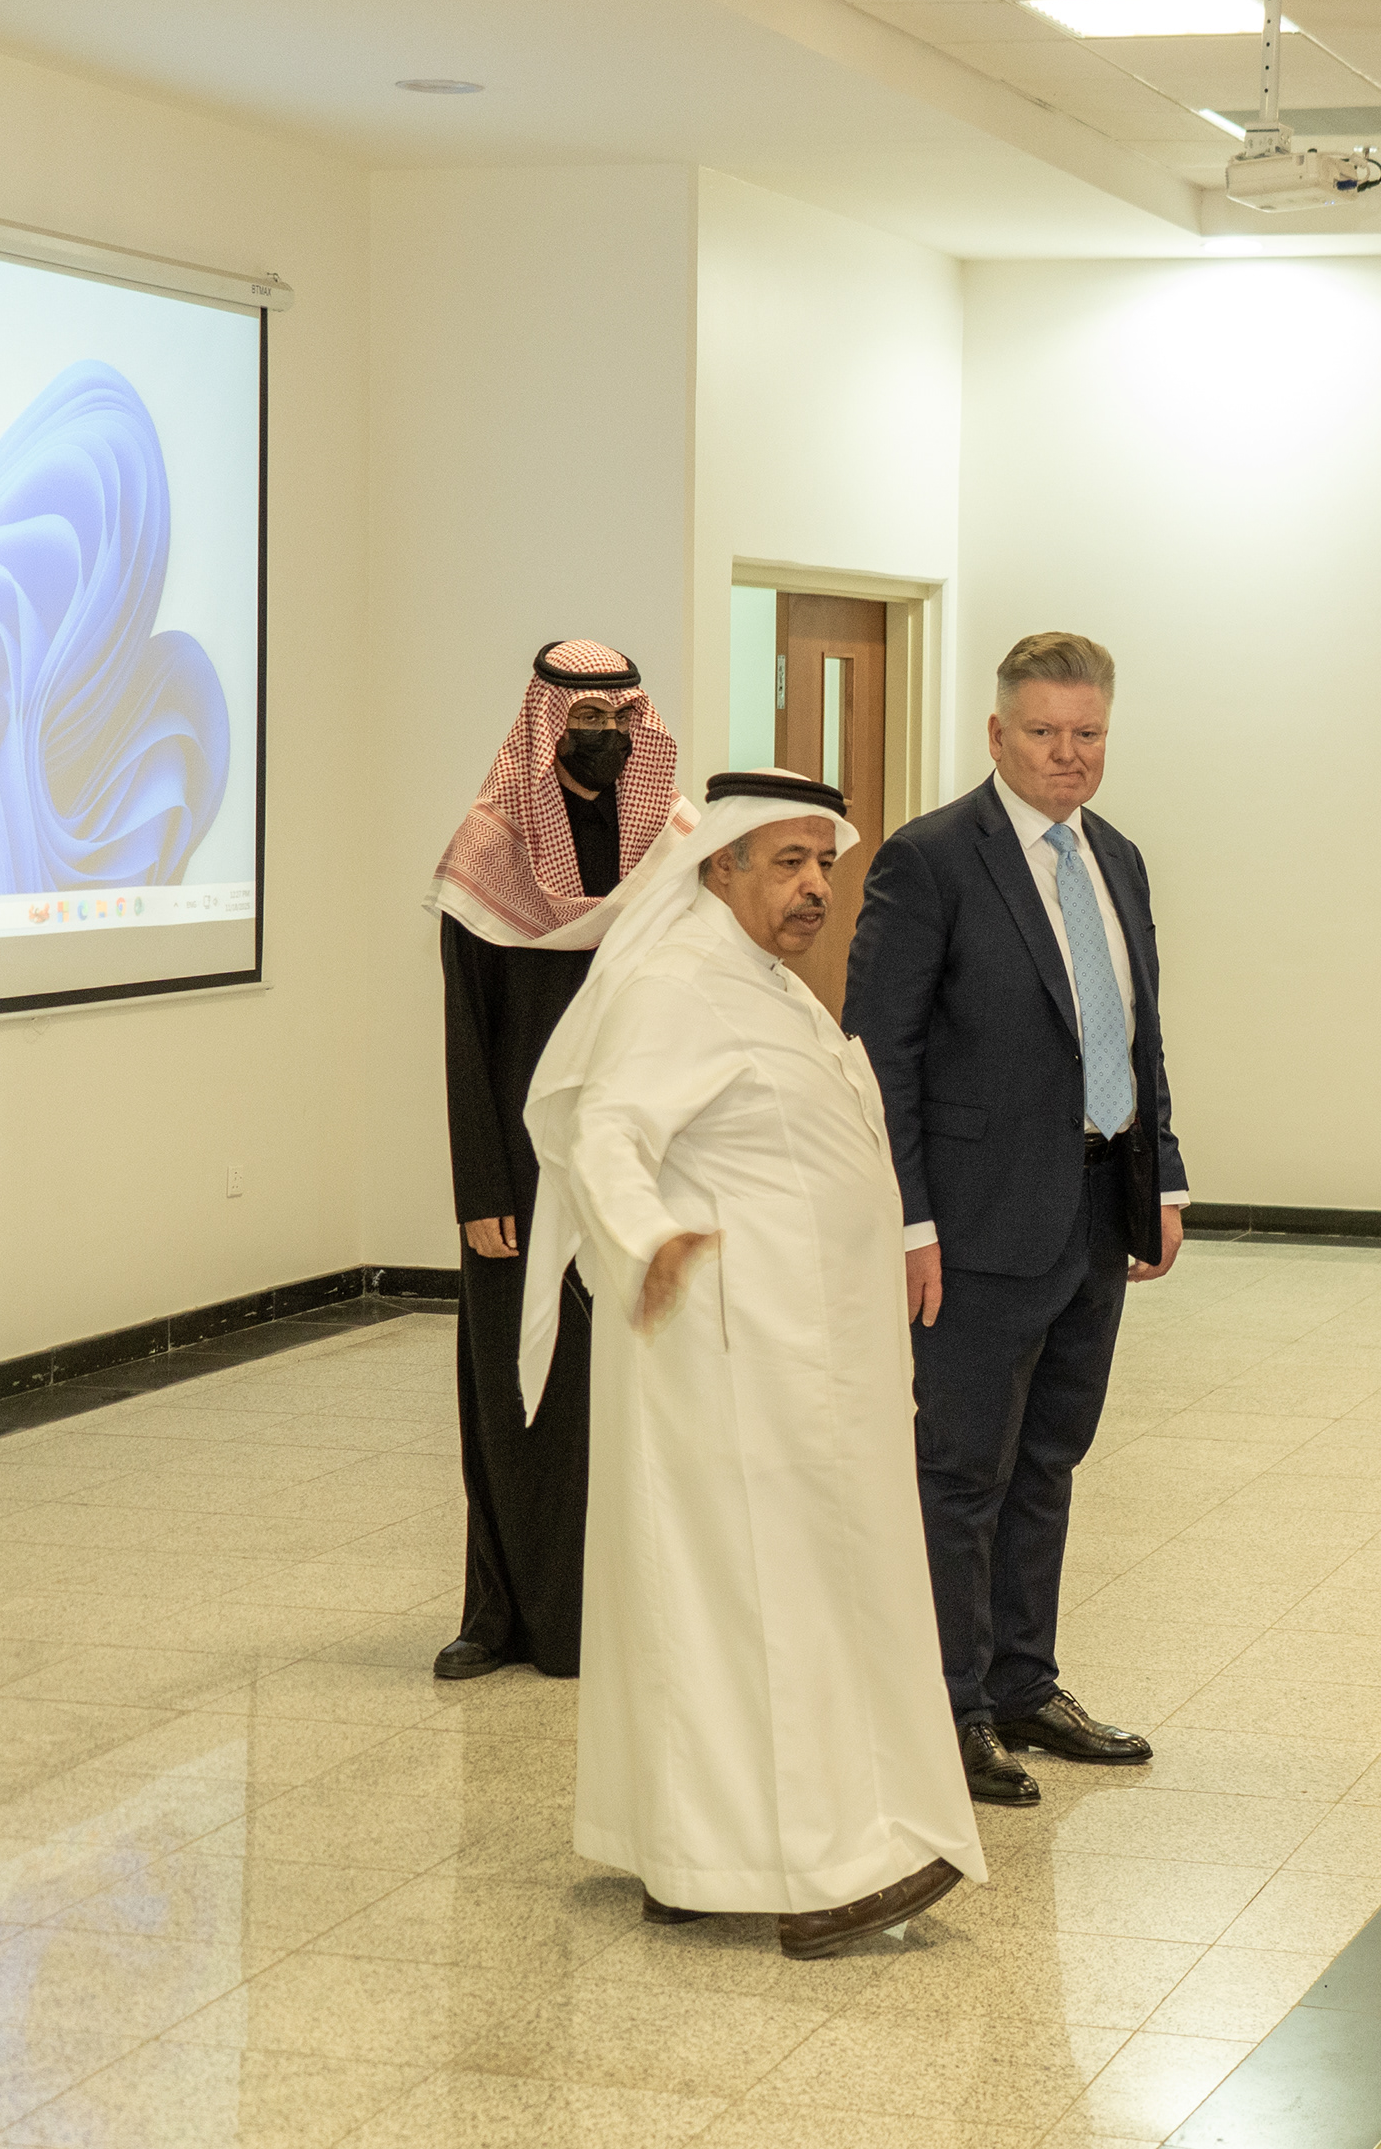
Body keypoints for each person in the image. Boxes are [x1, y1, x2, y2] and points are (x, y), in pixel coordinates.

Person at [519, 770, 985, 1959]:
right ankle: (821, 1871)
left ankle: (693, 1855)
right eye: (787, 862)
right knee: (772, 1604)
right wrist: (647, 1238)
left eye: (824, 863)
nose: (815, 886)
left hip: (800, 1355)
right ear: (718, 866)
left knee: (739, 1599)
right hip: (740, 1354)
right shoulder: (679, 988)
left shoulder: (764, 985)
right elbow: (605, 1131)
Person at [843, 630, 1186, 1809]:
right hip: (975, 1226)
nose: (1066, 753)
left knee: (1050, 1458)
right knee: (962, 1471)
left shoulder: (1117, 858)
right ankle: (949, 1709)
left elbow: (1135, 1032)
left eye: (1087, 733)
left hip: (1094, 1210)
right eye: (1043, 731)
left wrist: (1162, 1177)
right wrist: (907, 1221)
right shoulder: (932, 859)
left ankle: (1024, 1681)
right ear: (997, 734)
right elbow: (878, 1054)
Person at [424, 640, 687, 1682]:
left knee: (630, 1384)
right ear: (547, 725)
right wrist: (481, 1187)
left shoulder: (668, 851)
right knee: (514, 1390)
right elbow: (466, 1035)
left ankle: (615, 1610)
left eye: (623, 720)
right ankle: (500, 1614)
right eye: (587, 720)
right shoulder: (489, 852)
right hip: (524, 1171)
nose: (609, 737)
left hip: (640, 1159)